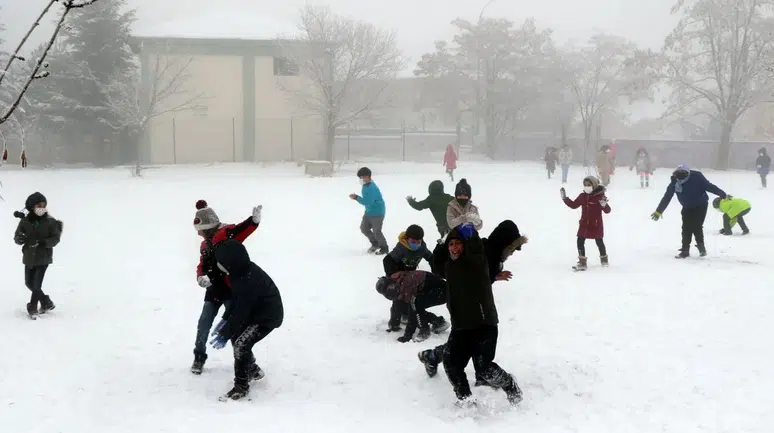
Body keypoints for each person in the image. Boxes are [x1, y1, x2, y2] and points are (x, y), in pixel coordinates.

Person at [418, 225, 522, 407]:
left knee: (484, 367)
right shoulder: (450, 266)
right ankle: (465, 399)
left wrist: (472, 236)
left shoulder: (476, 260)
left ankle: (510, 386)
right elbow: (437, 265)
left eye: (458, 243)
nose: (454, 247)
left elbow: (476, 251)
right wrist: (441, 243)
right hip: (461, 325)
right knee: (451, 363)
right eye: (451, 244)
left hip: (483, 324)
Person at [191, 200, 261, 375]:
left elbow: (241, 230)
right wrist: (200, 276)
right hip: (213, 291)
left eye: (201, 231)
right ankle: (199, 356)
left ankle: (249, 364)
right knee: (204, 323)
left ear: (208, 227)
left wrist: (253, 221)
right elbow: (202, 264)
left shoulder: (226, 234)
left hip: (231, 290)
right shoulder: (205, 244)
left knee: (235, 327)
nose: (199, 234)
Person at [208, 239, 283, 401]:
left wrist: (225, 332)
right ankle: (252, 370)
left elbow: (242, 311)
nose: (219, 265)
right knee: (238, 338)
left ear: (230, 261)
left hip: (267, 317)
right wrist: (225, 320)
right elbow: (237, 302)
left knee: (241, 344)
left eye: (221, 262)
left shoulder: (248, 279)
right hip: (255, 312)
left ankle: (241, 386)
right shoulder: (239, 272)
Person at [651, 165, 727, 258]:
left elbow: (710, 187)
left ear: (688, 174)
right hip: (687, 207)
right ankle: (685, 250)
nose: (681, 178)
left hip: (701, 205)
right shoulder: (674, 182)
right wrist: (659, 211)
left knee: (696, 226)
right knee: (686, 228)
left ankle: (701, 247)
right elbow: (667, 197)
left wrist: (723, 195)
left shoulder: (697, 177)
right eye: (679, 176)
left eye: (683, 176)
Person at [13, 192, 63, 319]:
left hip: (43, 257)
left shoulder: (51, 222)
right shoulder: (25, 222)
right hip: (29, 256)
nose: (41, 208)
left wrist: (45, 242)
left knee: (36, 285)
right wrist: (20, 238)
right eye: (38, 205)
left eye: (43, 205)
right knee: (28, 283)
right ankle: (46, 302)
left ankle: (33, 307)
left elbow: (56, 238)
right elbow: (17, 237)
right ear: (31, 207)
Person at [383, 224, 438, 331]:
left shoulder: (422, 248)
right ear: (407, 239)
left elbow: (431, 258)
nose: (416, 244)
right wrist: (393, 275)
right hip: (398, 277)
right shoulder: (401, 248)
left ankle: (406, 315)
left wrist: (436, 271)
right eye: (413, 242)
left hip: (411, 278)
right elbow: (387, 260)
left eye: (418, 242)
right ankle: (394, 323)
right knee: (398, 300)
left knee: (410, 299)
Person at [375, 270, 450, 343]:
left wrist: (407, 336)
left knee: (415, 304)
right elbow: (396, 304)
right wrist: (394, 324)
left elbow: (412, 311)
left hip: (442, 292)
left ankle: (424, 330)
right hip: (427, 290)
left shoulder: (406, 284)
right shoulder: (396, 281)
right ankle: (438, 321)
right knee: (406, 305)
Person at [561, 176, 611, 270]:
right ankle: (582, 262)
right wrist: (565, 199)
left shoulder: (600, 197)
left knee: (599, 242)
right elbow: (573, 205)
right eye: (585, 185)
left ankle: (604, 260)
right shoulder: (582, 197)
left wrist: (604, 204)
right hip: (584, 224)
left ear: (594, 185)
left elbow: (607, 211)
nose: (586, 187)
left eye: (589, 185)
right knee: (580, 241)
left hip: (596, 224)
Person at [350, 166, 388, 255]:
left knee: (377, 231)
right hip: (369, 212)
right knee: (364, 228)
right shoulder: (365, 185)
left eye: (363, 177)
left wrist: (356, 197)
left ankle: (384, 248)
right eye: (360, 177)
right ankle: (375, 243)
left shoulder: (372, 187)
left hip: (378, 213)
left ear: (369, 177)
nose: (362, 179)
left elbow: (368, 201)